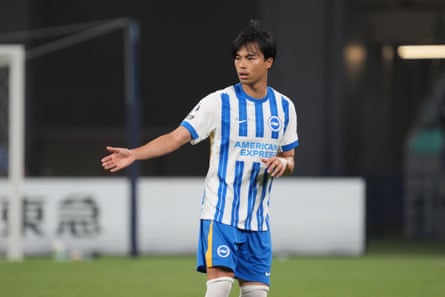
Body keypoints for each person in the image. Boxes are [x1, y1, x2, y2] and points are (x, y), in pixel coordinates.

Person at [101, 19, 299, 297]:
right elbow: (176, 137)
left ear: (268, 62)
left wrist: (284, 164)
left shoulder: (284, 108)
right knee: (219, 289)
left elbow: (289, 159)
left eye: (250, 58)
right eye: (238, 58)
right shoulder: (218, 103)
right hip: (221, 214)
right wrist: (135, 153)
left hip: (258, 222)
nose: (242, 64)